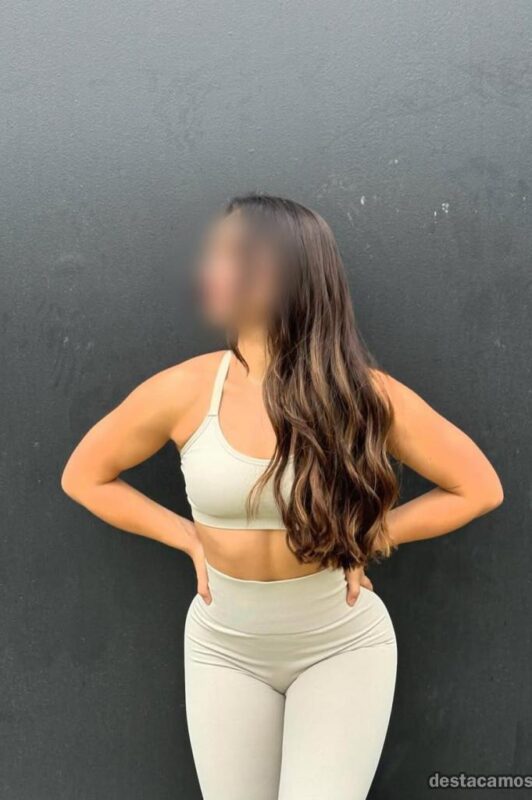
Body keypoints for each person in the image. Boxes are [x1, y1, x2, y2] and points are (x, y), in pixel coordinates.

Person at [61, 193, 503, 800]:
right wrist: (188, 537)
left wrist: (368, 538)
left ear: (290, 273)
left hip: (340, 647)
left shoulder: (362, 395)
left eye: (233, 253)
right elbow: (84, 475)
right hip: (224, 649)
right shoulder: (186, 390)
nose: (209, 269)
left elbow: (478, 487)